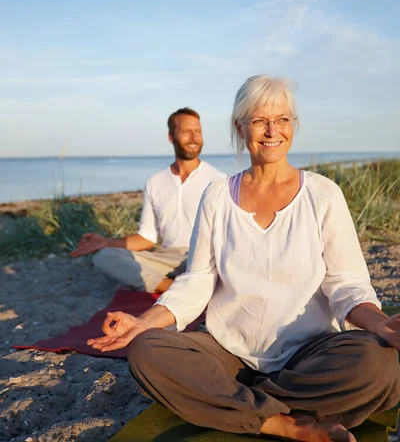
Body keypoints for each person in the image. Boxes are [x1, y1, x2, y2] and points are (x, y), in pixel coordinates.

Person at [87, 76, 400, 442]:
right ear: (240, 127)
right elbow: (197, 280)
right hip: (230, 354)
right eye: (259, 120)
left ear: (293, 126)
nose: (272, 131)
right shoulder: (218, 196)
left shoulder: (323, 194)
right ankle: (284, 423)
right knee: (146, 349)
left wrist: (379, 324)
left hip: (310, 352)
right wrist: (144, 322)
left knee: (377, 361)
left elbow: (346, 283)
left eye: (282, 119)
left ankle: (239, 407)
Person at [71, 107, 224, 293]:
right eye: (186, 131)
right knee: (105, 257)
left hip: (204, 257)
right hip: (167, 258)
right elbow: (147, 238)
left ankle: (176, 288)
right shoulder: (155, 182)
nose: (194, 137)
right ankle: (172, 289)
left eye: (198, 131)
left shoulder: (218, 180)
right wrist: (106, 242)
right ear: (171, 137)